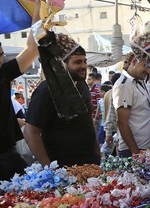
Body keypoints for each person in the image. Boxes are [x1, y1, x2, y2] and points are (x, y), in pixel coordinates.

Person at [24, 46, 101, 166]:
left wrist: (97, 152)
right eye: (77, 62)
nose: (84, 66)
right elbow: (30, 133)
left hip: (90, 163)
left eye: (85, 61)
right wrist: (50, 169)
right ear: (61, 65)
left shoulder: (82, 85)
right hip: (62, 169)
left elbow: (88, 120)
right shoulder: (45, 90)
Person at [0, 27, 39, 180]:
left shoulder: (3, 72)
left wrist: (37, 12)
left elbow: (32, 49)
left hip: (9, 155)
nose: (0, 60)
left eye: (1, 55)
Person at [112, 52, 150, 157]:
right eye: (145, 65)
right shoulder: (124, 85)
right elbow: (122, 122)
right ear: (134, 62)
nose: (148, 70)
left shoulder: (143, 83)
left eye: (149, 67)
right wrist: (136, 154)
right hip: (133, 151)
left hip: (147, 149)